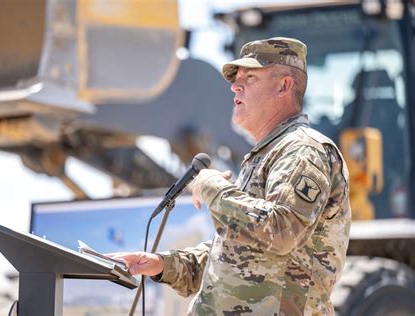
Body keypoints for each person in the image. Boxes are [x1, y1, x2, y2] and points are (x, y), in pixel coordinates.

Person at [109, 37, 351, 315]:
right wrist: (162, 264)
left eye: (250, 77)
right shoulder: (264, 155)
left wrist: (214, 188)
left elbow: (282, 232)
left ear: (284, 85)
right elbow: (238, 255)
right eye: (236, 78)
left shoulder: (303, 150)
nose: (236, 85)